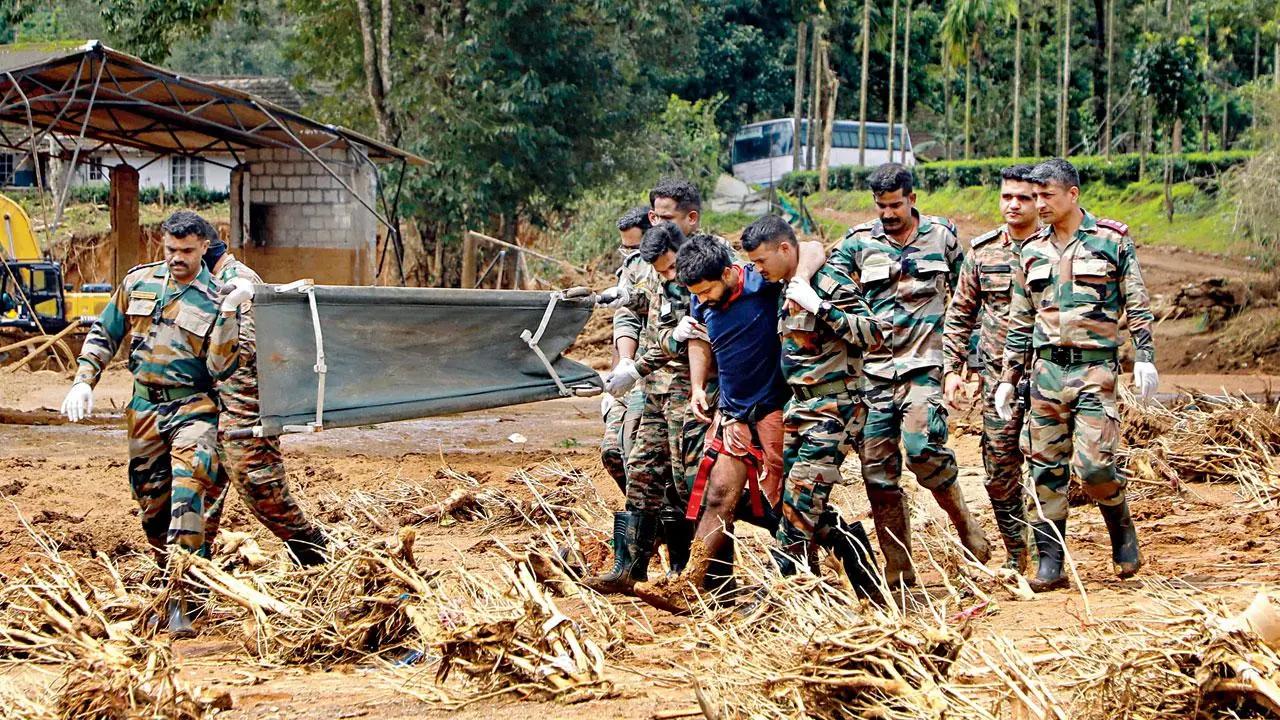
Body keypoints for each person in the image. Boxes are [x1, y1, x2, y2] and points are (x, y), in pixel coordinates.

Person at [801, 162, 991, 588]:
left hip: (926, 366)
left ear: (913, 199)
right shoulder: (857, 243)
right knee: (878, 475)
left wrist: (968, 363)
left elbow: (967, 300)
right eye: (881, 206)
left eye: (896, 205)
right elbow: (822, 273)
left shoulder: (943, 236)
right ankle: (899, 566)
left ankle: (964, 523)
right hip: (874, 375)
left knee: (923, 449)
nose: (888, 213)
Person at [60, 211, 249, 635]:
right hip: (144, 410)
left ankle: (181, 601)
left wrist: (231, 313)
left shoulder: (219, 296)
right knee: (153, 509)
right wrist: (83, 380)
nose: (176, 258)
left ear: (204, 246)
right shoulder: (139, 281)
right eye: (170, 249)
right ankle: (182, 576)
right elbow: (105, 333)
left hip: (194, 410)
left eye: (186, 250)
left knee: (188, 495)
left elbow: (222, 367)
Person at [995, 157, 1158, 592]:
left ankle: (1121, 526)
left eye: (1047, 195)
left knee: (1094, 467)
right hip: (1046, 371)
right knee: (1044, 469)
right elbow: (1020, 319)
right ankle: (1051, 560)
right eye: (1035, 196)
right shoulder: (1029, 250)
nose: (1039, 204)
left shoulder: (1111, 240)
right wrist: (1009, 377)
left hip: (1095, 370)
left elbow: (1136, 301)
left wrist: (1144, 354)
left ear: (1072, 195)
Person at [634, 233, 791, 613]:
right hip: (734, 414)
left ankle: (802, 582)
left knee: (790, 505)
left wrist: (801, 280)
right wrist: (699, 386)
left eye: (706, 291)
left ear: (728, 273)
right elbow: (700, 338)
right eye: (696, 294)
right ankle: (690, 583)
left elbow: (812, 252)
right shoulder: (699, 293)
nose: (701, 300)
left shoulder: (763, 282)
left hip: (775, 412)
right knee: (718, 496)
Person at [741, 215, 883, 599]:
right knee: (796, 503)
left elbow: (874, 333)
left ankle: (785, 589)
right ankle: (866, 584)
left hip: (835, 410)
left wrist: (820, 306)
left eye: (761, 261)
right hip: (799, 411)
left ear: (785, 249)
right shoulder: (786, 284)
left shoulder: (827, 284)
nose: (758, 269)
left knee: (801, 502)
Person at [585, 180, 711, 594]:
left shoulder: (703, 262)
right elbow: (652, 303)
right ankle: (630, 568)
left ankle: (700, 574)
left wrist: (633, 369)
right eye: (653, 216)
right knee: (640, 471)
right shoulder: (659, 261)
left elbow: (678, 338)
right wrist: (620, 297)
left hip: (686, 389)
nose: (655, 223)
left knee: (687, 483)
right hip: (655, 390)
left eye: (665, 217)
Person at [186, 211, 328, 567]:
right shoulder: (207, 282)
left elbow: (243, 351)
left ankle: (315, 553)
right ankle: (193, 576)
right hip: (215, 409)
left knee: (261, 489)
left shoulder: (238, 280)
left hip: (245, 410)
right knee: (200, 490)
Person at [941, 165, 1039, 571]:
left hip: (1050, 376)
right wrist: (952, 368)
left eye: (1023, 197)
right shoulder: (983, 253)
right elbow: (960, 314)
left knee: (1051, 469)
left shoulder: (1056, 249)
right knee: (999, 470)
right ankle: (1018, 553)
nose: (1013, 204)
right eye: (1006, 197)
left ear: (1040, 200)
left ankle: (1050, 555)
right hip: (1001, 381)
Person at [596, 207, 654, 496]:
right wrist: (620, 367)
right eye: (625, 248)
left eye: (636, 246)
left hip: (662, 374)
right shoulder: (632, 268)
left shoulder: (684, 262)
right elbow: (626, 319)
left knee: (641, 460)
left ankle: (662, 526)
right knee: (612, 453)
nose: (631, 254)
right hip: (633, 373)